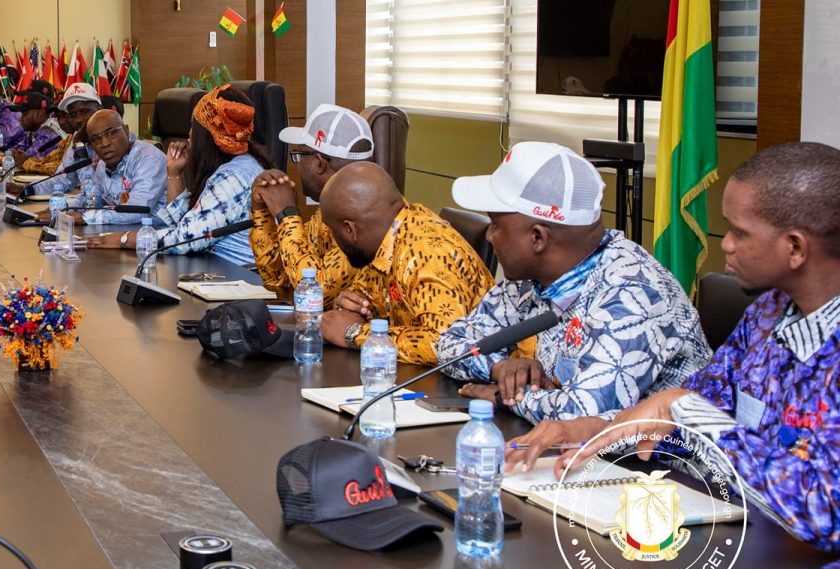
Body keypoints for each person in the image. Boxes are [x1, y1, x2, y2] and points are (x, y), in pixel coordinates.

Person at [511, 144, 840, 569]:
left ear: (795, 248)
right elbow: (690, 423)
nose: (727, 245)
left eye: (739, 232)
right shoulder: (767, 314)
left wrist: (681, 406)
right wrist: (598, 429)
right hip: (746, 548)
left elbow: (825, 510)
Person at [438, 142, 709, 422]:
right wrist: (500, 368)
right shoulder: (529, 280)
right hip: (570, 443)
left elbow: (583, 413)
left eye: (495, 224)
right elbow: (450, 343)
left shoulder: (634, 293)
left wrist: (505, 396)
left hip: (664, 448)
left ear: (537, 238)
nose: (489, 236)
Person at [314, 163, 493, 364]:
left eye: (333, 231)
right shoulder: (388, 237)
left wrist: (355, 334)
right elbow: (372, 298)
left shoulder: (426, 252)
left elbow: (446, 345)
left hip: (481, 379)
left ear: (350, 230)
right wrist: (352, 308)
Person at [121, 84, 268, 266]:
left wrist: (125, 239)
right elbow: (184, 224)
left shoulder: (233, 176)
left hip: (238, 276)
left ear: (209, 134)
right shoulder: (235, 165)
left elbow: (186, 240)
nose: (189, 134)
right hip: (213, 267)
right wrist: (174, 173)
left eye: (193, 126)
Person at [249, 104, 376, 293]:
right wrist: (261, 211)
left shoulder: (362, 221)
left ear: (319, 163)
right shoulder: (326, 212)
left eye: (299, 155)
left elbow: (315, 291)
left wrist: (287, 214)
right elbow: (279, 278)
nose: (298, 165)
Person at [40, 108, 168, 234]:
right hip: (123, 232)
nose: (105, 143)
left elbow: (138, 210)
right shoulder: (103, 164)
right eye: (96, 139)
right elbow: (92, 198)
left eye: (111, 133)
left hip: (157, 237)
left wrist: (84, 217)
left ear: (126, 131)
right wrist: (62, 207)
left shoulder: (148, 158)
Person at [8, 81, 67, 164]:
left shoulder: (48, 133)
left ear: (39, 114)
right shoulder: (34, 128)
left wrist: (2, 158)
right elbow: (16, 149)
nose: (20, 119)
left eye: (24, 114)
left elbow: (25, 160)